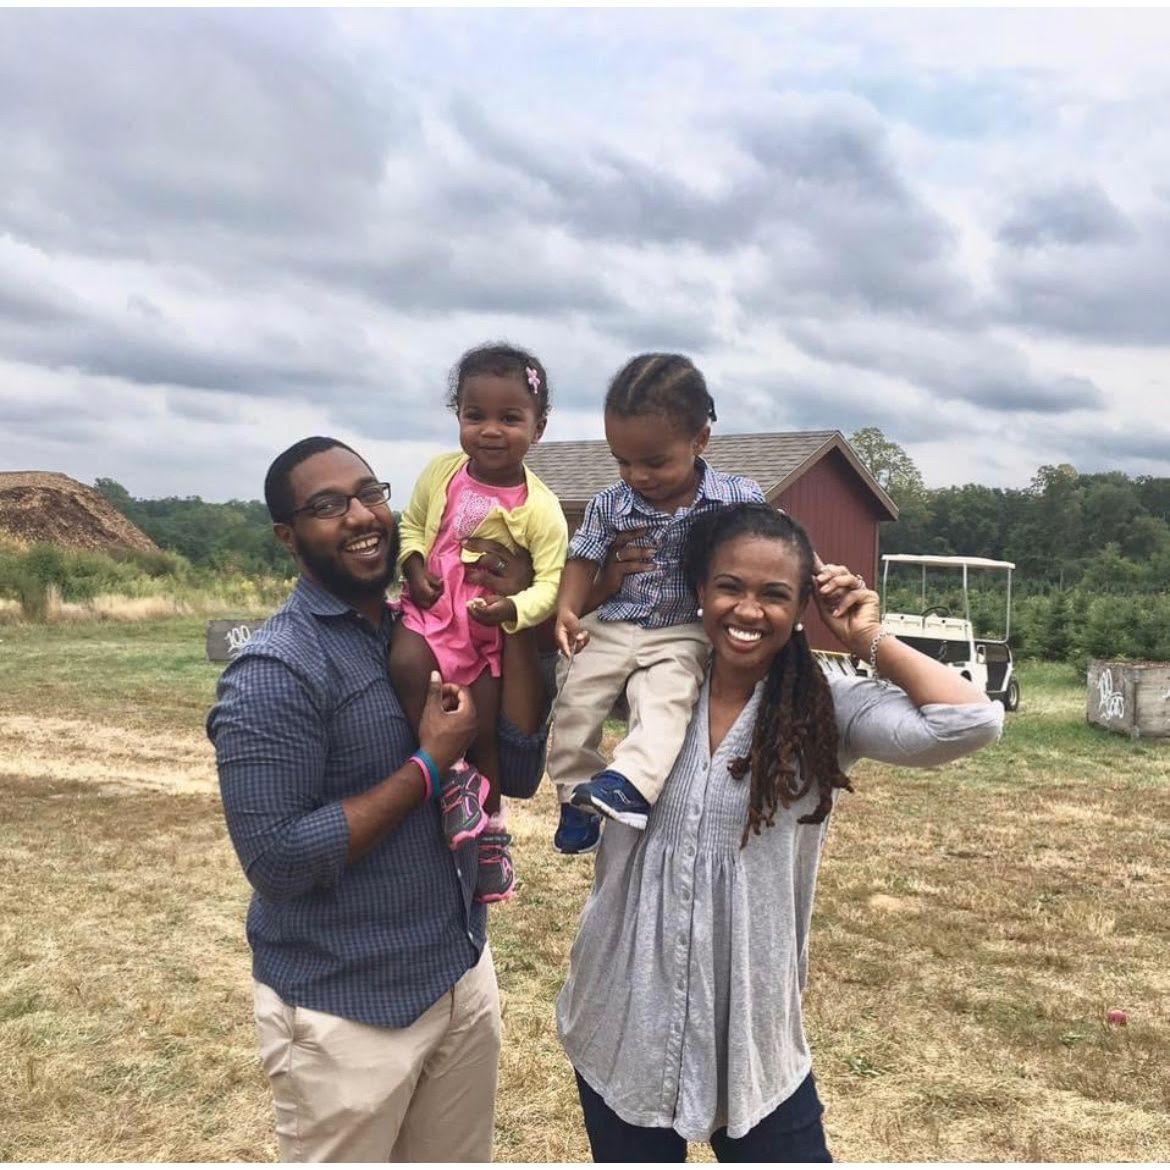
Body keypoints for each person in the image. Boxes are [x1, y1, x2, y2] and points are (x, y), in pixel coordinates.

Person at [557, 502, 1004, 1161]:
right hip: (623, 1014)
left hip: (753, 1031)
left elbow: (969, 722)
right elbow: (539, 687)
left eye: (774, 595)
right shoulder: (653, 680)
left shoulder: (823, 703)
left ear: (801, 608)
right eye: (729, 586)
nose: (747, 610)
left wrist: (865, 641)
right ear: (700, 591)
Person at [207, 436, 549, 1162]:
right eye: (328, 506)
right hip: (346, 1014)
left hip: (457, 977)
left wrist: (514, 617)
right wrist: (429, 764)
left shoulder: (423, 629)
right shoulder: (275, 672)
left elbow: (516, 771)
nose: (362, 515)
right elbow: (280, 860)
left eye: (370, 493)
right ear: (288, 536)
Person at [550, 352, 764, 855]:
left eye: (654, 461)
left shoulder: (735, 498)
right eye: (622, 460)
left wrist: (816, 576)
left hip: (682, 628)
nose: (637, 475)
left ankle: (629, 785)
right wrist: (568, 610)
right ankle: (575, 800)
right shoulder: (610, 502)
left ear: (700, 440)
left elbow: (775, 546)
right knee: (574, 699)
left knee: (667, 701)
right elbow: (582, 559)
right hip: (613, 622)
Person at [390, 343, 567, 902]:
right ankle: (451, 778)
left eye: (510, 418)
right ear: (458, 417)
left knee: (486, 729)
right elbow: (413, 526)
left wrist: (512, 609)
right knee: (404, 664)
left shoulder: (540, 509)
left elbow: (550, 587)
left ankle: (491, 833)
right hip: (432, 610)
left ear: (538, 429)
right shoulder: (442, 473)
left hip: (485, 633)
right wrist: (414, 566)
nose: (491, 430)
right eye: (475, 415)